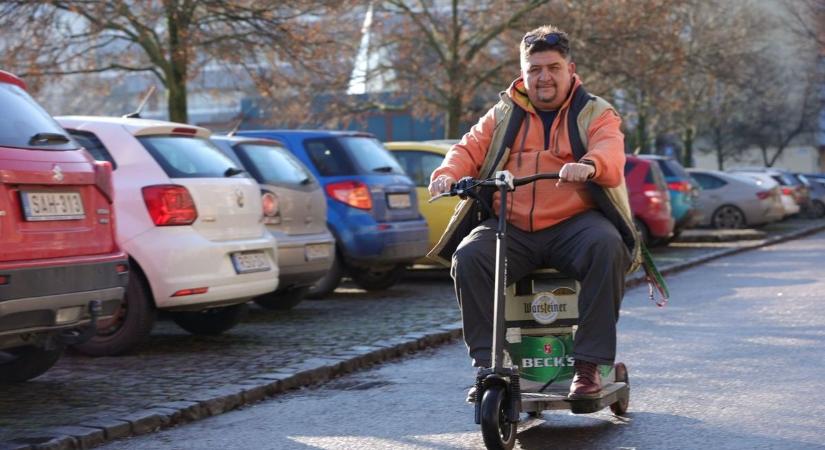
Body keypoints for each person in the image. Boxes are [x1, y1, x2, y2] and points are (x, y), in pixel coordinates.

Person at [427, 24, 640, 400]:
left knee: (607, 247)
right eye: (535, 69)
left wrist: (589, 165)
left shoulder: (596, 112)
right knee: (469, 257)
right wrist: (447, 174)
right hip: (512, 226)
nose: (544, 77)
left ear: (570, 70)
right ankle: (490, 365)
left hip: (574, 224)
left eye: (553, 68)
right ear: (523, 73)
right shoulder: (502, 114)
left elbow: (610, 149)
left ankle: (589, 366)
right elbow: (467, 148)